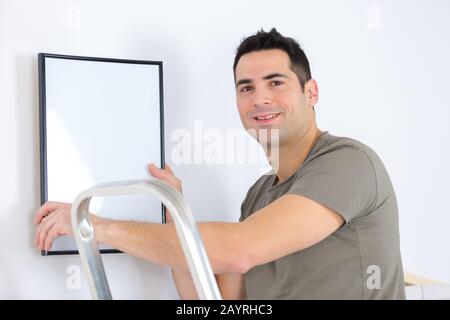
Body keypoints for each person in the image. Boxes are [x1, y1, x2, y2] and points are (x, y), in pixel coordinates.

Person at [34, 28, 405, 299]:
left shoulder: (349, 163)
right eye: (246, 88)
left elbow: (241, 250)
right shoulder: (259, 195)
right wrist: (175, 210)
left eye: (276, 83)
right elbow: (216, 299)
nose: (260, 99)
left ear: (312, 92)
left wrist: (92, 225)